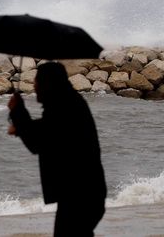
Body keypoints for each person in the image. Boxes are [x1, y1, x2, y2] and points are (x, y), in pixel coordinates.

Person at [7, 62, 107, 237]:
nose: (34, 86)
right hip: (83, 193)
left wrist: (18, 111)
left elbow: (37, 142)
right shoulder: (67, 102)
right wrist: (21, 122)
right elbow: (48, 131)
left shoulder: (64, 106)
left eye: (37, 81)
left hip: (81, 197)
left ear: (48, 84)